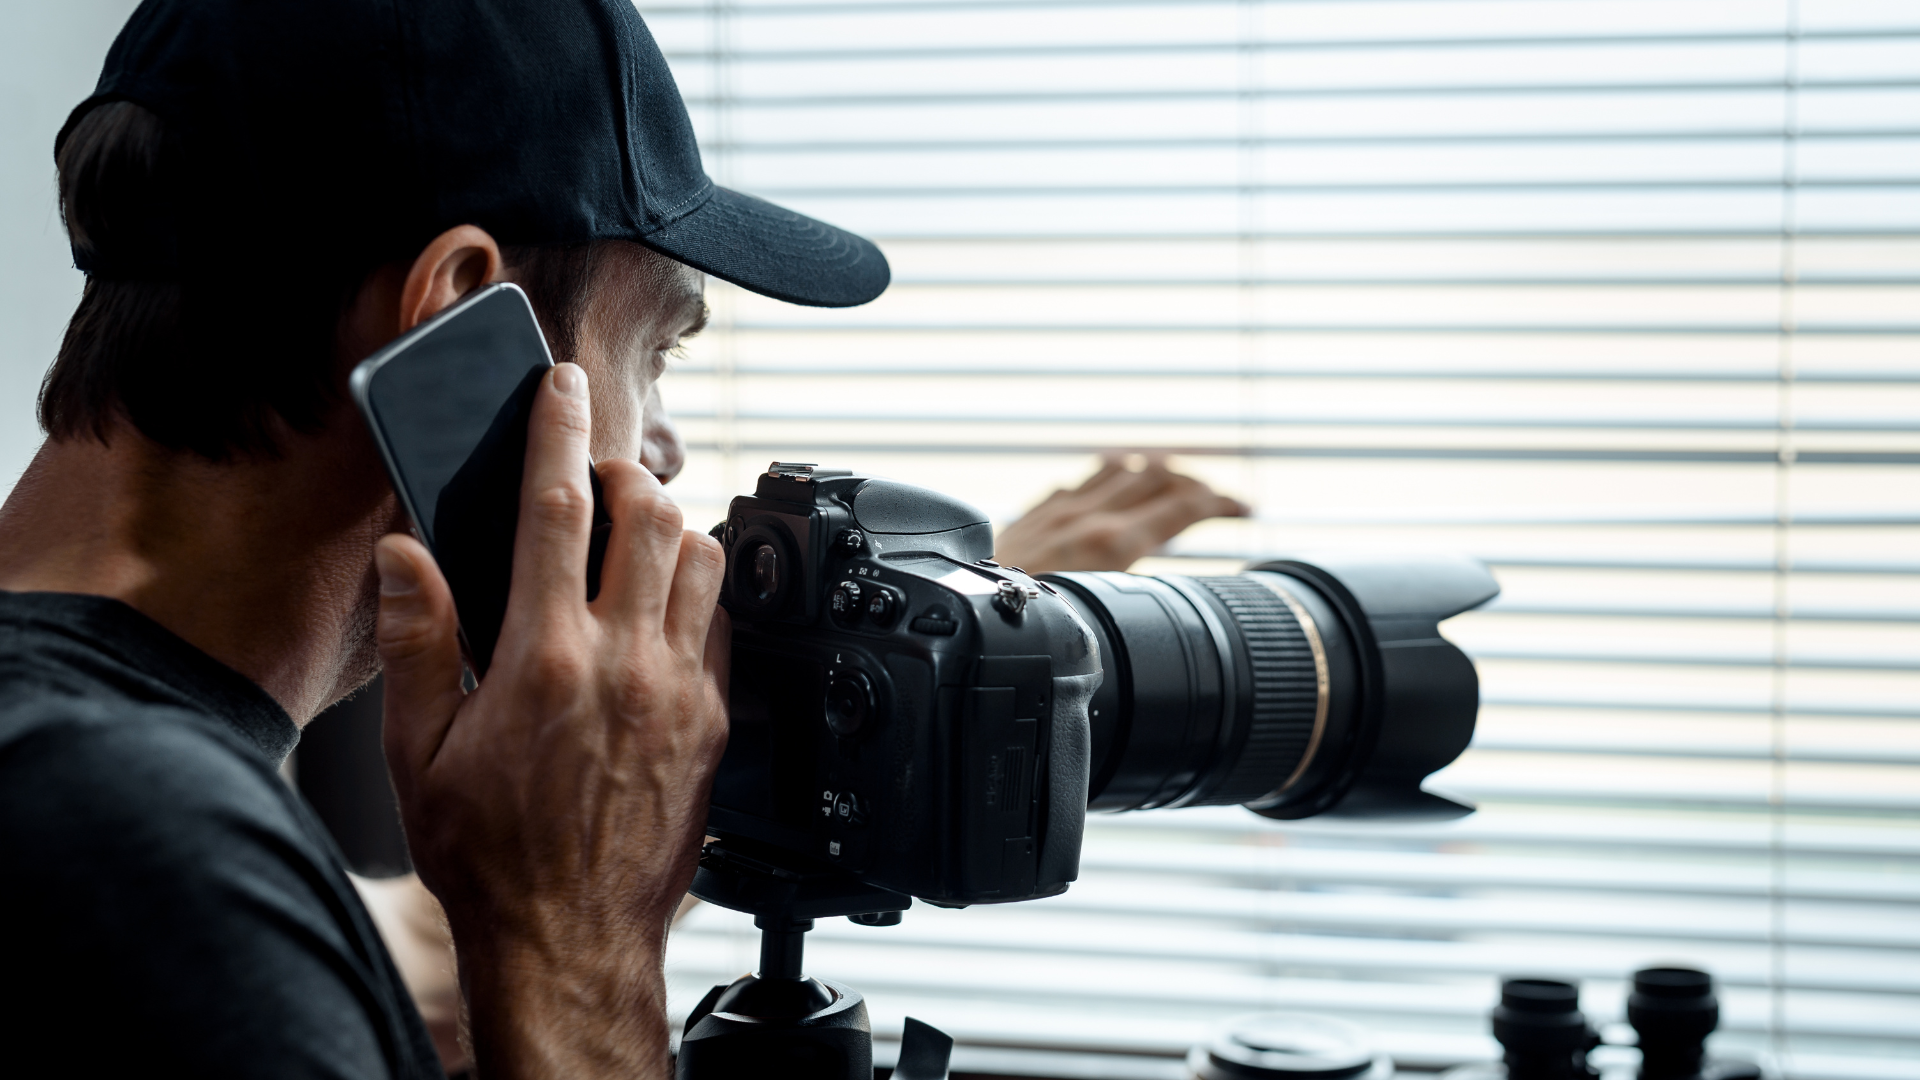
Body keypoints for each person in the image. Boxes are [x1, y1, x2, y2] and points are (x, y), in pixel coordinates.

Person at [0, 2, 1244, 1077]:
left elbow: (394, 976)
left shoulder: (100, 795)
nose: (661, 451)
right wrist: (577, 942)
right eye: (657, 351)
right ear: (460, 314)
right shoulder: (136, 844)